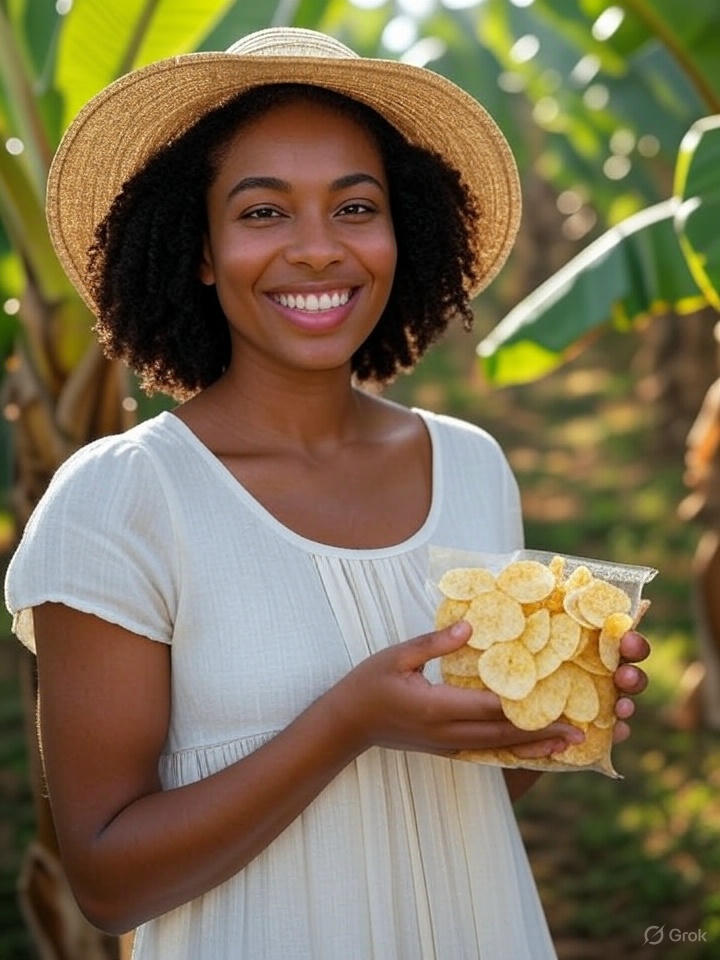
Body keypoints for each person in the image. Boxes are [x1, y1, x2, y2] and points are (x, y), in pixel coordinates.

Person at [4, 27, 650, 960]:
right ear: (198, 248)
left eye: (356, 207)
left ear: (404, 232)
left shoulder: (471, 465)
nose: (318, 250)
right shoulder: (123, 501)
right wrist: (348, 724)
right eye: (264, 213)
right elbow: (108, 883)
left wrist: (546, 718)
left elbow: (472, 792)